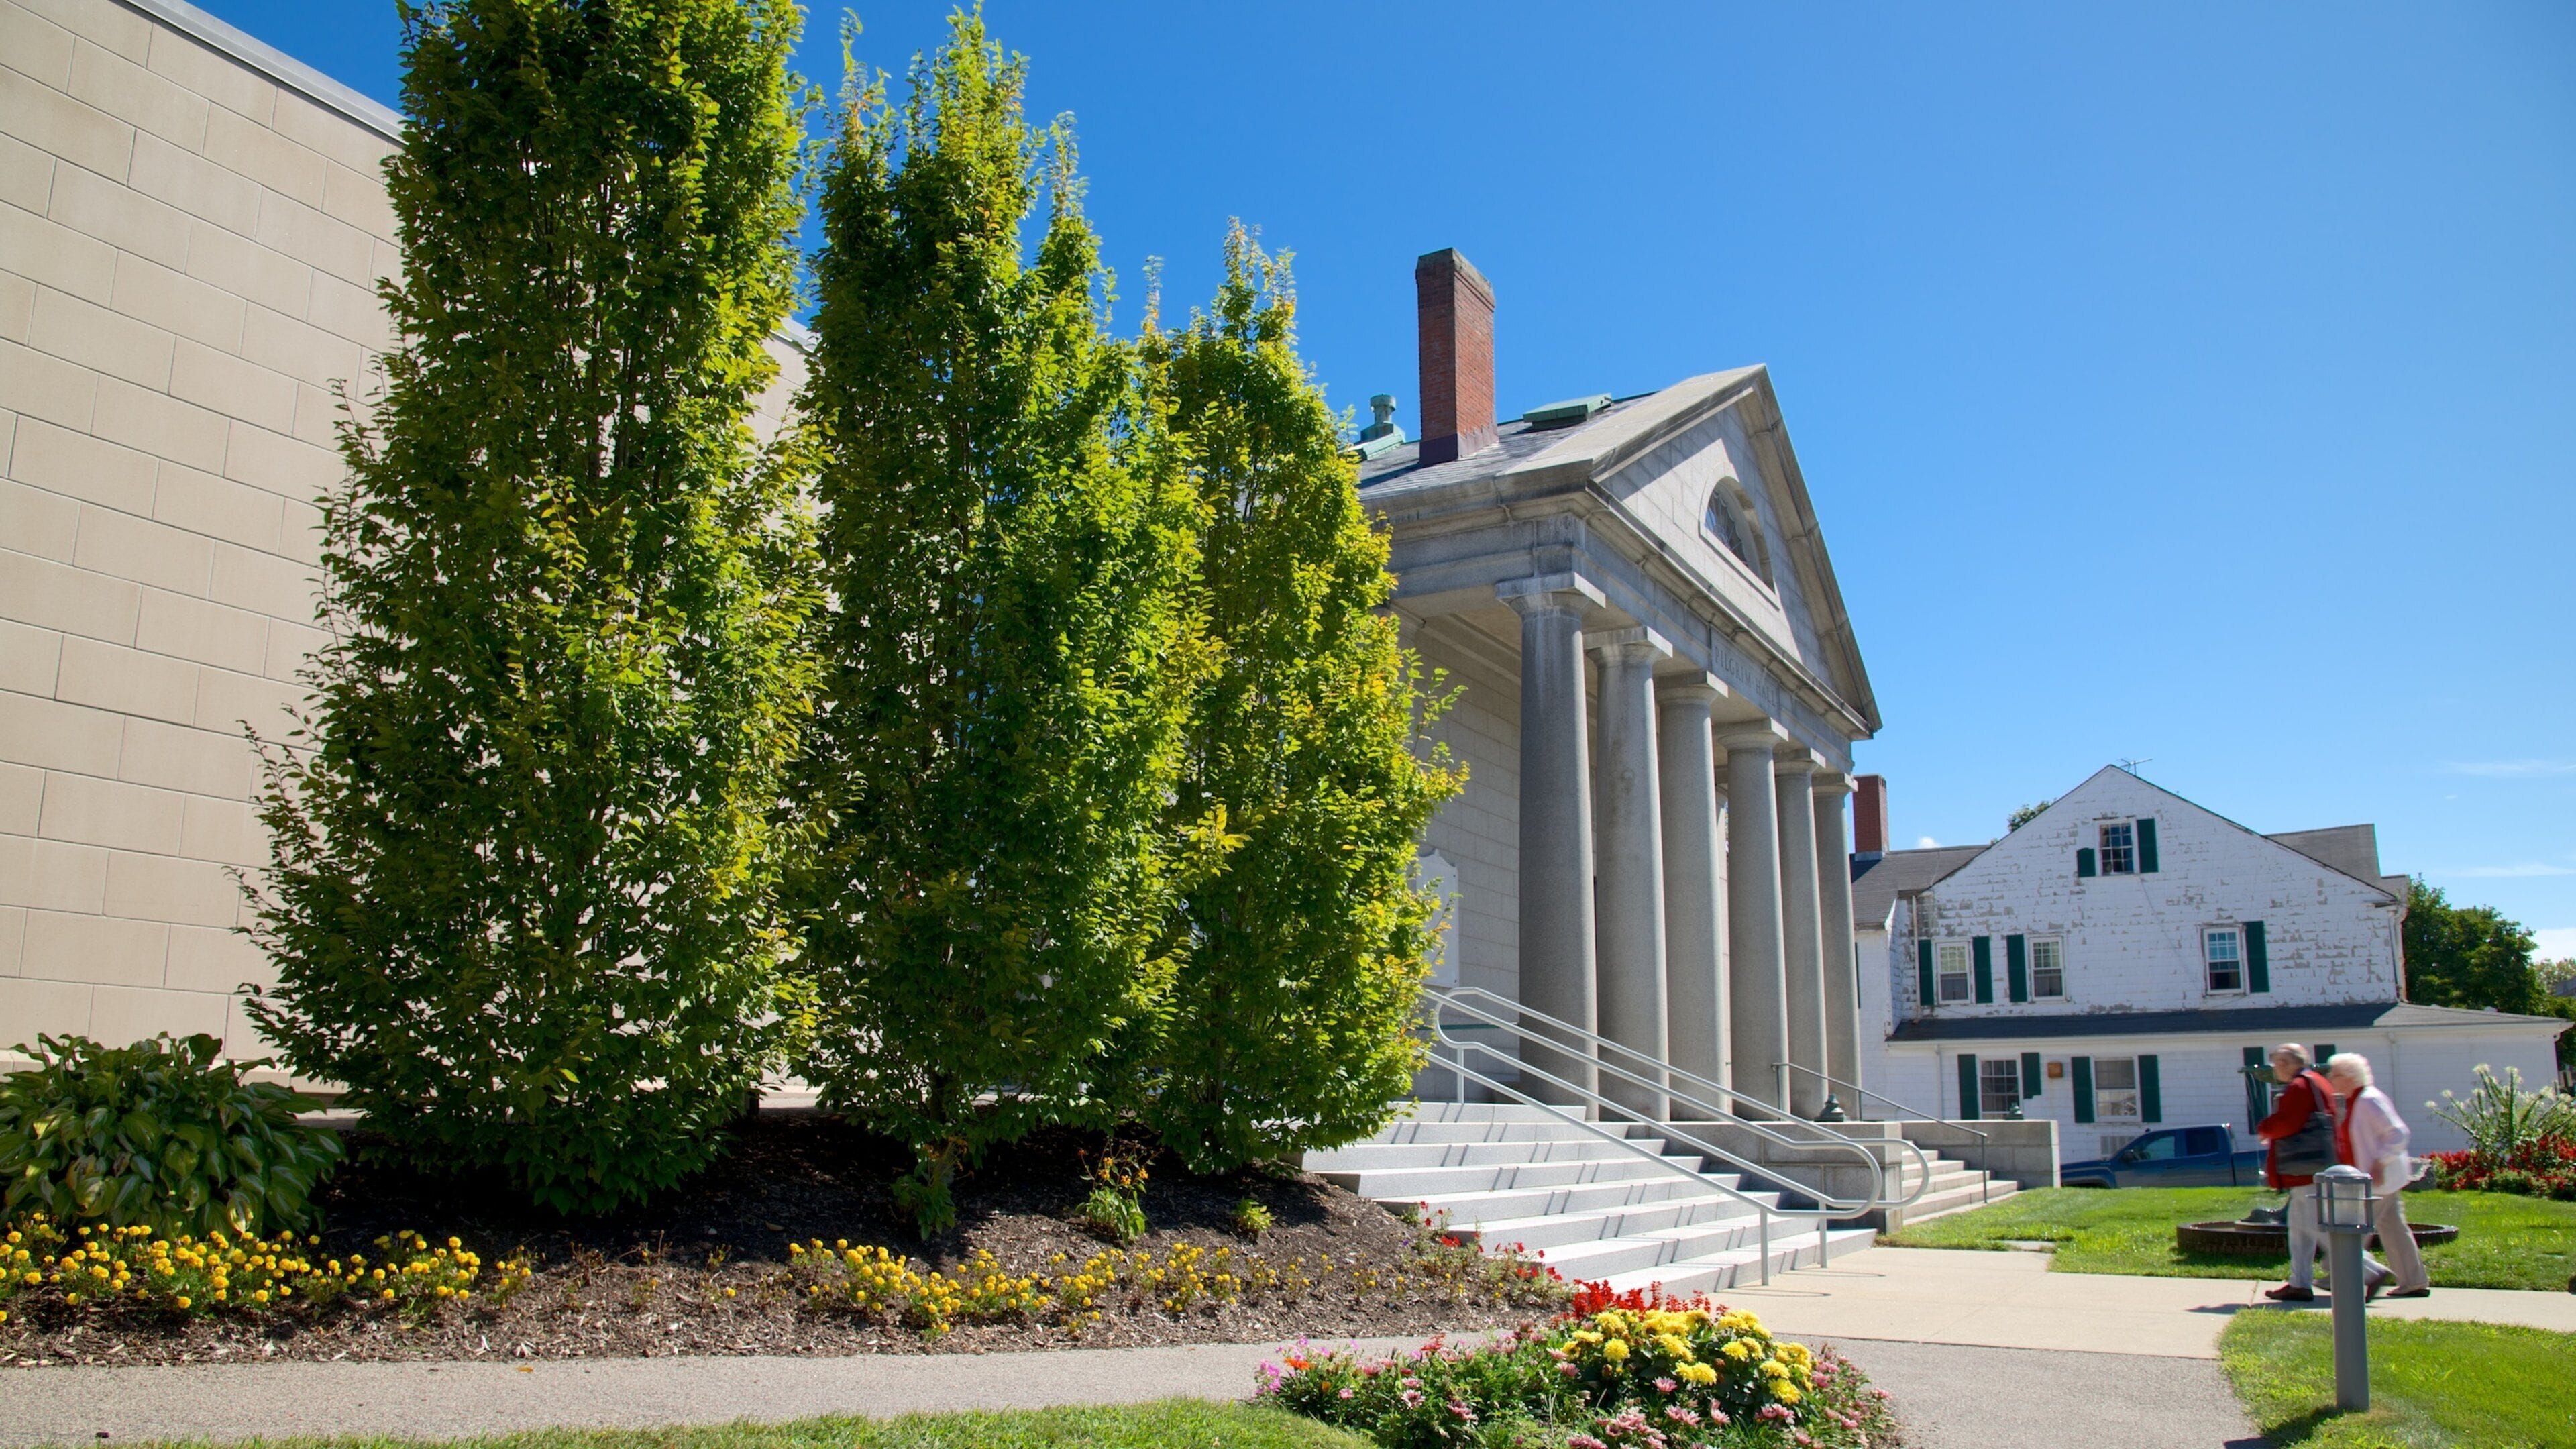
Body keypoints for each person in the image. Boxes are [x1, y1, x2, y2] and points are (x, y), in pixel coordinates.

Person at [2327, 1051, 2431, 1298]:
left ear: (2350, 1077)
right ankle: (2413, 1280)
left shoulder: (2369, 1100)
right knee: (2393, 1229)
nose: (2331, 1078)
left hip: (2378, 1180)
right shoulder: (2359, 1100)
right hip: (2373, 1179)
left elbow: (2399, 1134)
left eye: (2336, 1074)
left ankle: (2349, 1274)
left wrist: (2380, 1163)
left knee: (2350, 1231)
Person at [2255, 1042, 2336, 1302]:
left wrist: (2266, 1128)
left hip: (2306, 1170)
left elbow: (2288, 1122)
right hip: (2312, 1169)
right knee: (2300, 1228)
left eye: (2278, 1062)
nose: (2275, 1067)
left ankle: (2369, 1270)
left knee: (2313, 1225)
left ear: (2287, 1064)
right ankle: (2299, 1283)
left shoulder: (2300, 1086)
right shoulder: (2317, 1082)